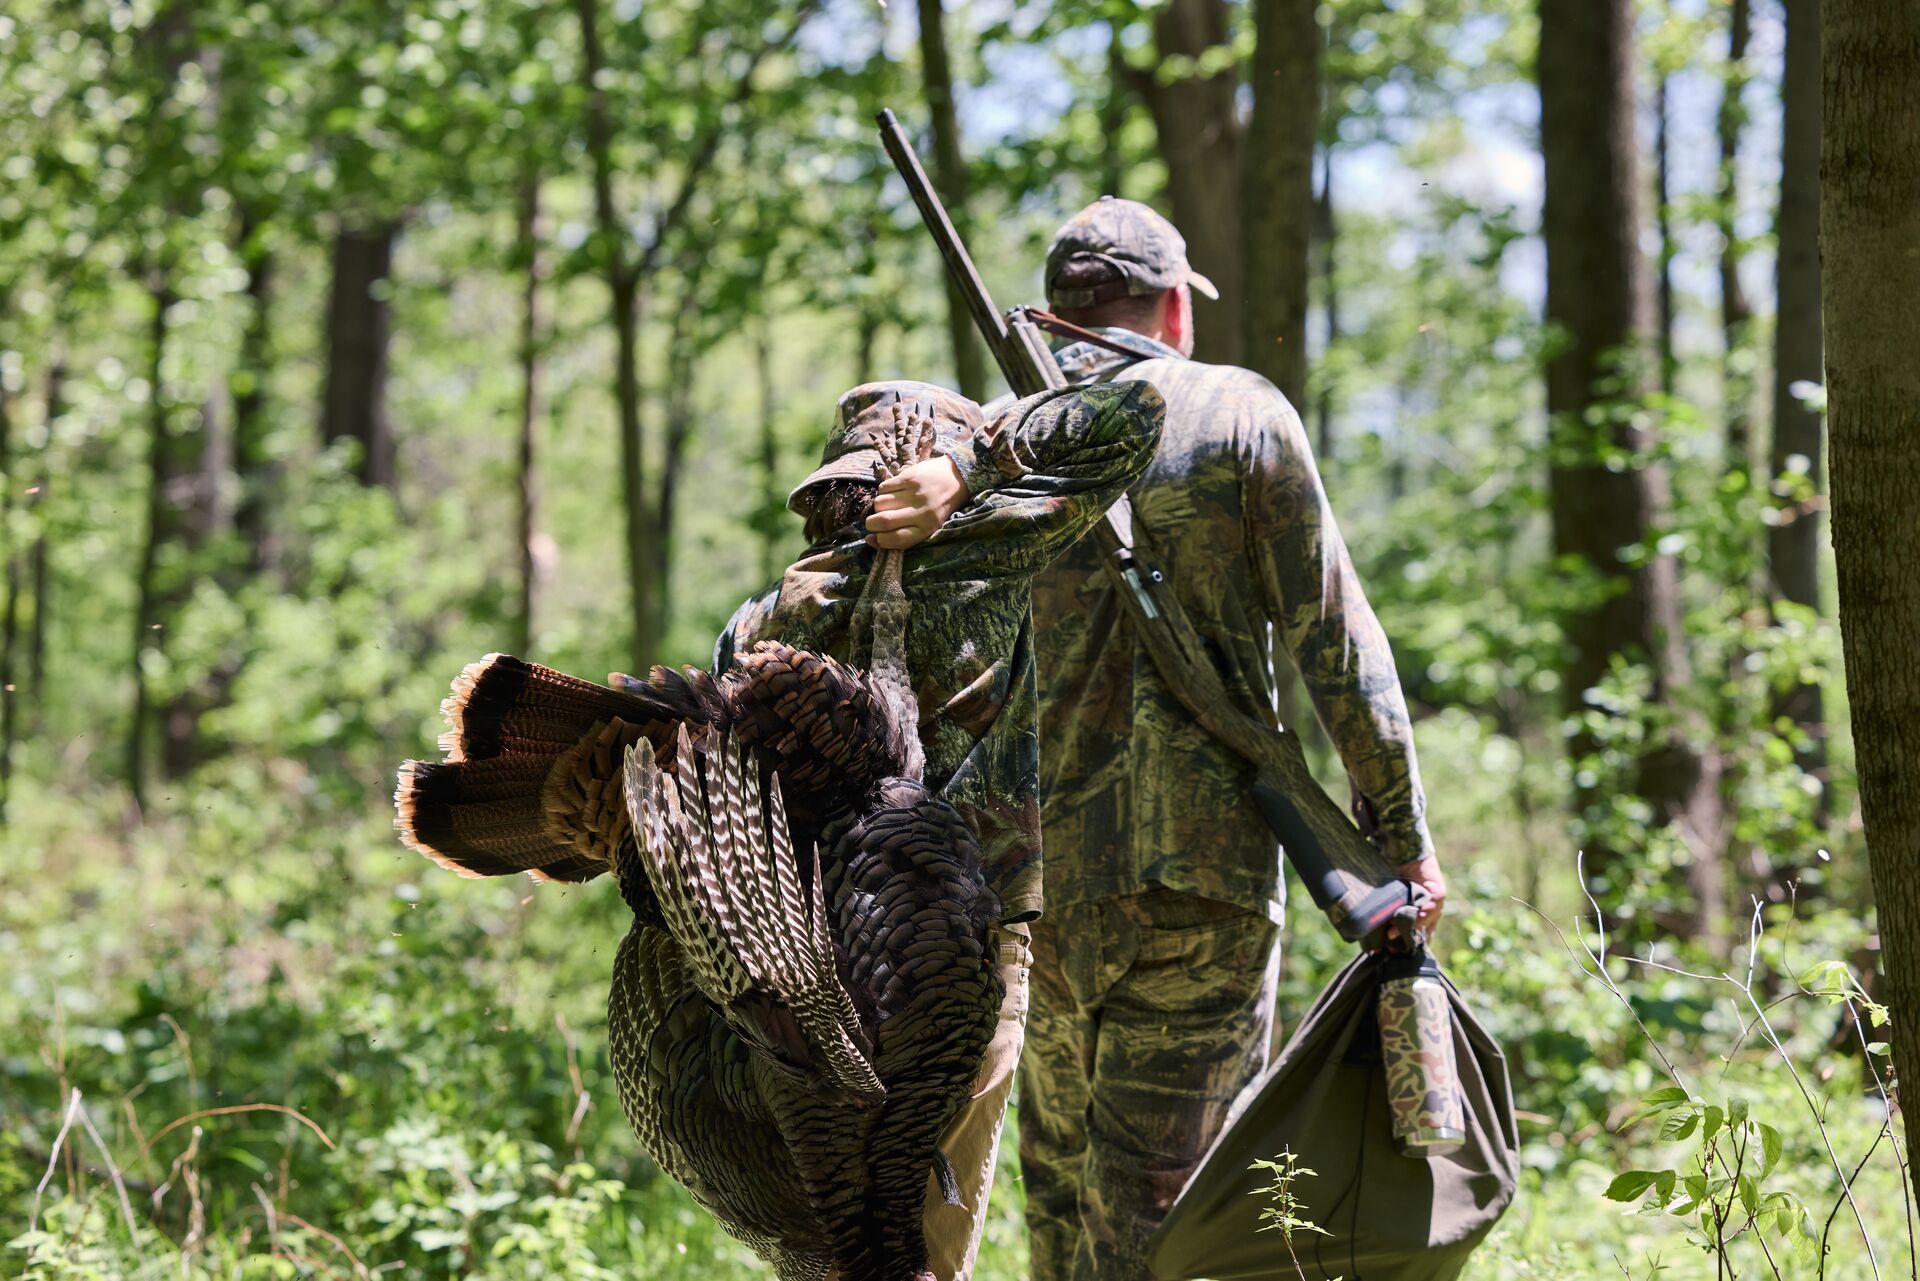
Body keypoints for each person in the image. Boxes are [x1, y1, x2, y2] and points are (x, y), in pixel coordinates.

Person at [1018, 196, 1447, 1281]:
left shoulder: (993, 446)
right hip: (1198, 890)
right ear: (1171, 309)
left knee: (1060, 1218)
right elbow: (1336, 643)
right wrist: (1400, 835)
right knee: (1168, 1232)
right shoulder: (1236, 412)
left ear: (1061, 314)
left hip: (1027, 895)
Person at [714, 375, 1165, 1281]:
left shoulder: (759, 622)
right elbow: (1138, 412)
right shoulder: (982, 559)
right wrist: (970, 468)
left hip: (798, 978)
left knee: (832, 1245)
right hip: (950, 963)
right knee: (922, 1246)